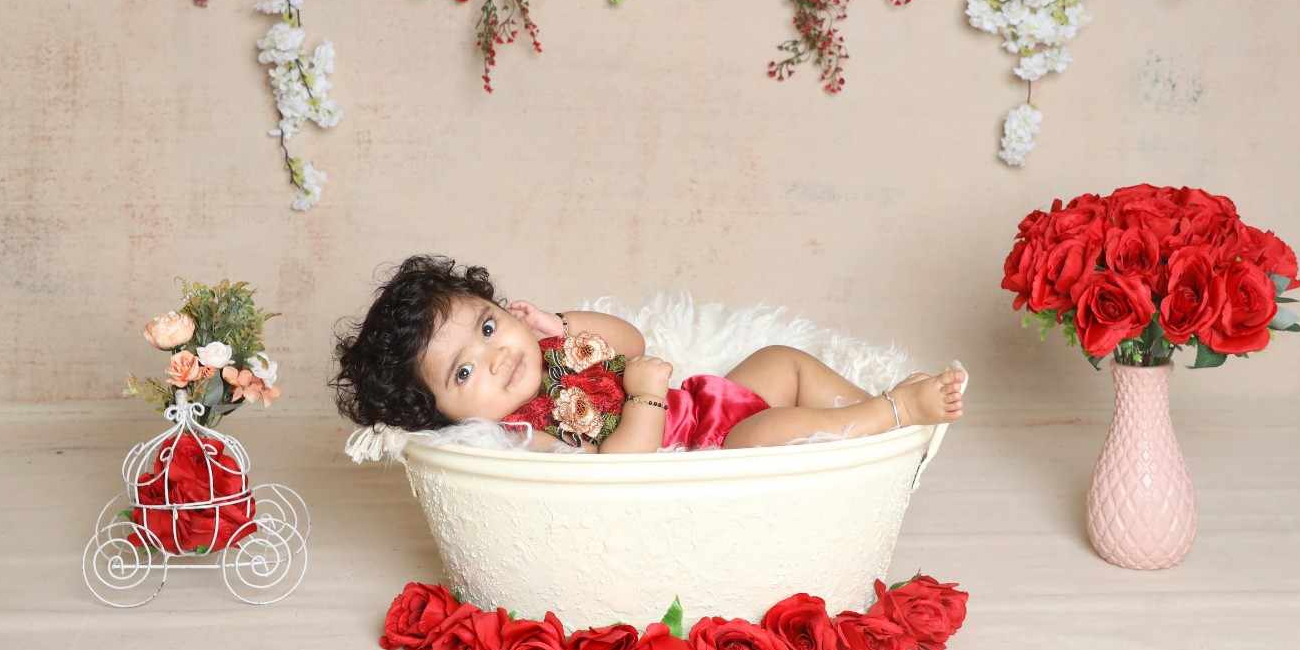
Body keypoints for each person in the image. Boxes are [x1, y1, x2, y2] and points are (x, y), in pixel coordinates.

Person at [334, 256, 965, 453]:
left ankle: (873, 434)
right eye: (465, 371)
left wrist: (561, 323)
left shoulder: (551, 345)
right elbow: (621, 469)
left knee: (782, 358)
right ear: (441, 416)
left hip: (705, 403)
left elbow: (630, 340)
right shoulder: (524, 435)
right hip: (704, 451)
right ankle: (893, 413)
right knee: (772, 430)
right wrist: (643, 397)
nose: (496, 356)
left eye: (490, 326)